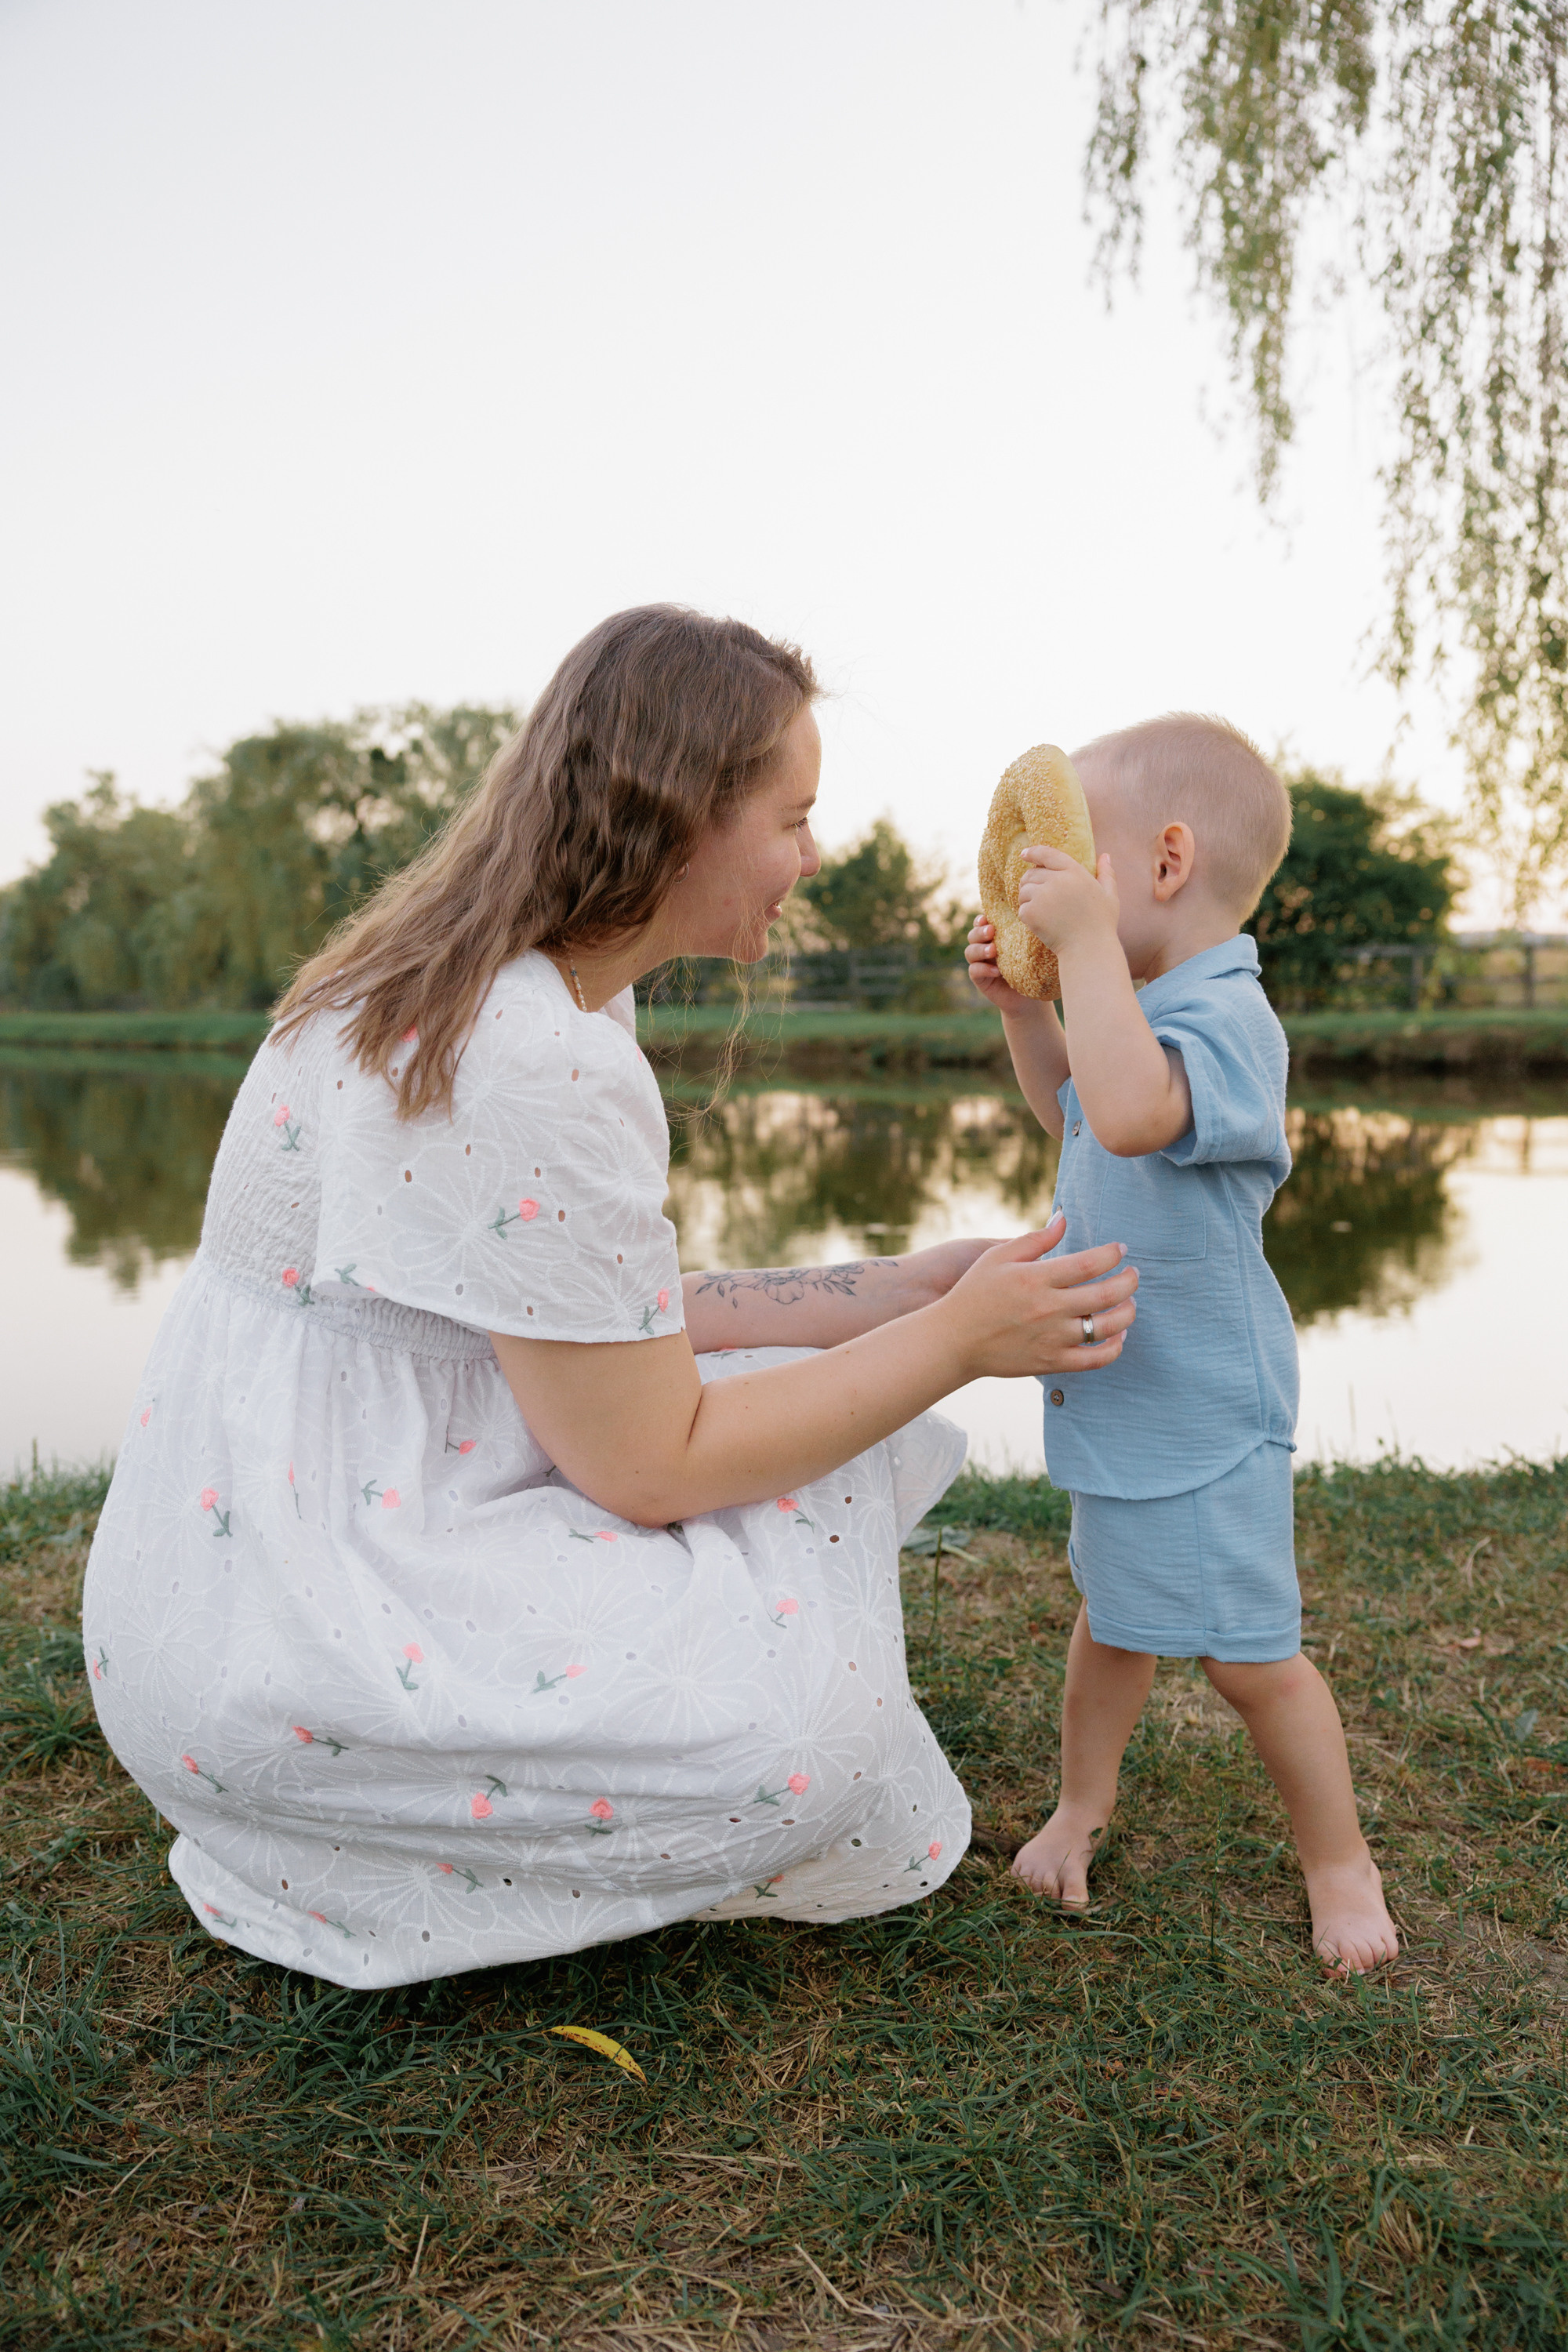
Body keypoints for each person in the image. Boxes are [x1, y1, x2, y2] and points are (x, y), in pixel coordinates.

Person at [82, 605, 1139, 1988]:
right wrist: (955, 1341)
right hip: (304, 1619)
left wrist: (898, 1288)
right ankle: (383, 1831)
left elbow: (602, 1313)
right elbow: (650, 1462)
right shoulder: (542, 1057)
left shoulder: (447, 981)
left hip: (206, 1596)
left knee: (810, 1420)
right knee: (807, 1737)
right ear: (678, 816)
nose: (809, 861)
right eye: (794, 819)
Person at [966, 713, 1399, 1974]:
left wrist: (1087, 953)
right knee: (1110, 1622)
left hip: (1207, 1410)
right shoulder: (1135, 1006)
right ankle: (1078, 1812)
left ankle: (1339, 1861)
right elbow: (1078, 1112)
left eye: (1076, 864)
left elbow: (1141, 1111)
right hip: (1124, 1395)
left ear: (1163, 864)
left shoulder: (1229, 1017)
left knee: (1253, 1665)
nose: (1056, 888)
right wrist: (1020, 1008)